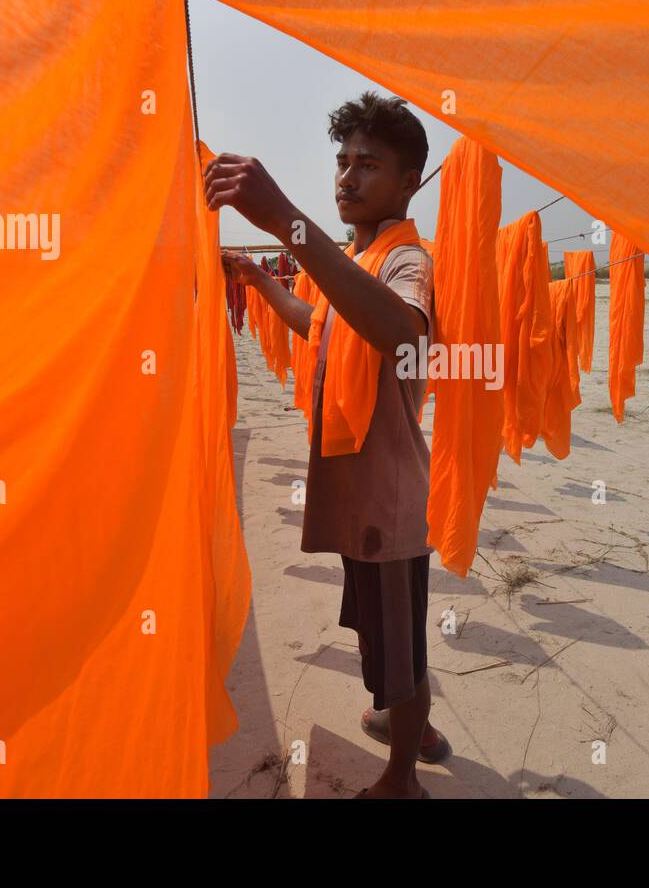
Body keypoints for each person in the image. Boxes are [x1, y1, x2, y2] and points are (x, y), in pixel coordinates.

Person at [205, 91, 451, 799]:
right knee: (381, 635)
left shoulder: (407, 260)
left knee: (401, 649)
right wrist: (257, 280)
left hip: (392, 500)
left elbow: (402, 335)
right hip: (358, 494)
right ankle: (407, 720)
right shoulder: (363, 255)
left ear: (409, 183)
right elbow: (320, 323)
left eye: (369, 165)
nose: (347, 178)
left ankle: (405, 772)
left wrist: (284, 221)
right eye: (342, 162)